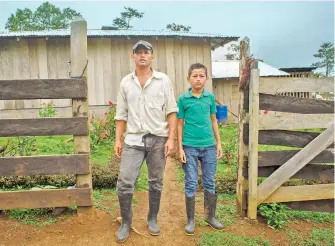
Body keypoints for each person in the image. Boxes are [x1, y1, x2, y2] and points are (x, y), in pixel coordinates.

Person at [114, 40, 178, 243]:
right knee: (125, 182)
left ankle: (152, 218)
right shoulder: (126, 82)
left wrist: (171, 139)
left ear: (153, 57)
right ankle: (126, 221)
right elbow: (121, 114)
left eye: (146, 52)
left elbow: (171, 111)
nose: (142, 55)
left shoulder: (163, 80)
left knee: (156, 182)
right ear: (132, 56)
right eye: (138, 52)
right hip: (133, 139)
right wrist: (118, 138)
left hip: (158, 139)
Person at [177, 63, 224, 236]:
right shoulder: (183, 99)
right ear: (188, 78)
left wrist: (218, 143)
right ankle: (191, 220)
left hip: (209, 146)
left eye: (201, 76)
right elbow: (180, 124)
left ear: (206, 78)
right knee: (190, 182)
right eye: (194, 76)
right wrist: (180, 147)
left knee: (209, 181)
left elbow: (213, 120)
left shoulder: (210, 97)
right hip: (189, 146)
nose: (198, 79)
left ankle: (210, 217)